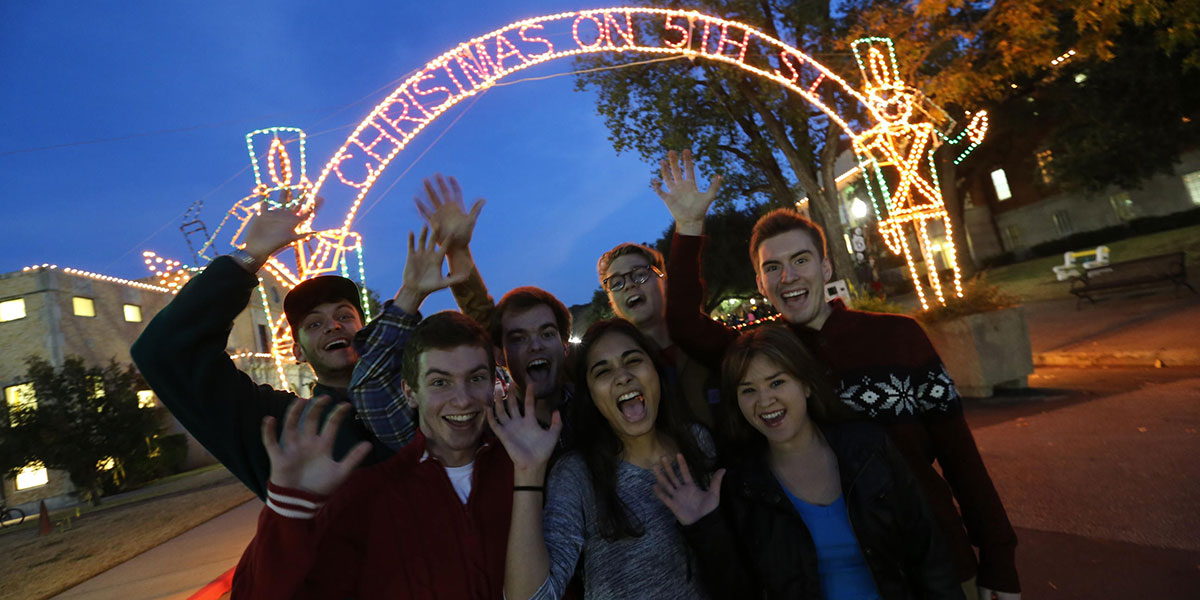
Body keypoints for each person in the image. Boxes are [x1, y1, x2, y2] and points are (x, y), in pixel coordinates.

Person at [655, 148, 1020, 600]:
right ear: (761, 284)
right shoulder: (764, 359)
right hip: (832, 574)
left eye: (801, 260)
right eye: (772, 268)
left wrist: (999, 561)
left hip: (937, 562)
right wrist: (689, 227)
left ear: (825, 267)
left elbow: (959, 454)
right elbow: (685, 324)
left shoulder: (899, 337)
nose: (788, 276)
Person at [231, 230, 515, 599]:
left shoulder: (516, 459)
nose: (460, 399)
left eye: (475, 378)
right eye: (440, 382)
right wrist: (289, 507)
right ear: (411, 392)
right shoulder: (358, 476)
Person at [654, 325, 963, 600]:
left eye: (776, 383)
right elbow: (737, 590)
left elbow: (928, 553)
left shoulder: (868, 447)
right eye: (748, 390)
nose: (764, 401)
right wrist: (705, 528)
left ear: (805, 384)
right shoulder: (740, 482)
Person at [131, 200, 391, 500]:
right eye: (314, 324)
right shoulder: (281, 425)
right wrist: (249, 257)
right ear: (298, 352)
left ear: (366, 333)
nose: (333, 325)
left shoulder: (419, 398)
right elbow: (163, 351)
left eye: (344, 316)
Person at [490, 318, 714, 600]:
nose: (622, 377)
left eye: (632, 360)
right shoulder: (577, 475)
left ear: (655, 371)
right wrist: (528, 472)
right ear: (592, 396)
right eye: (602, 371)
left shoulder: (698, 443)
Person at [353, 175, 574, 450]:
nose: (535, 346)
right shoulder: (480, 431)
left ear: (565, 346)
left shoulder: (601, 405)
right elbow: (371, 388)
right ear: (499, 356)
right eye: (518, 338)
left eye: (547, 333)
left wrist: (458, 251)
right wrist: (412, 294)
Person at [596, 243, 717, 427]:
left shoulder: (710, 340)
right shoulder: (618, 376)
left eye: (639, 274)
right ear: (612, 303)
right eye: (616, 283)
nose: (629, 285)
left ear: (664, 281)